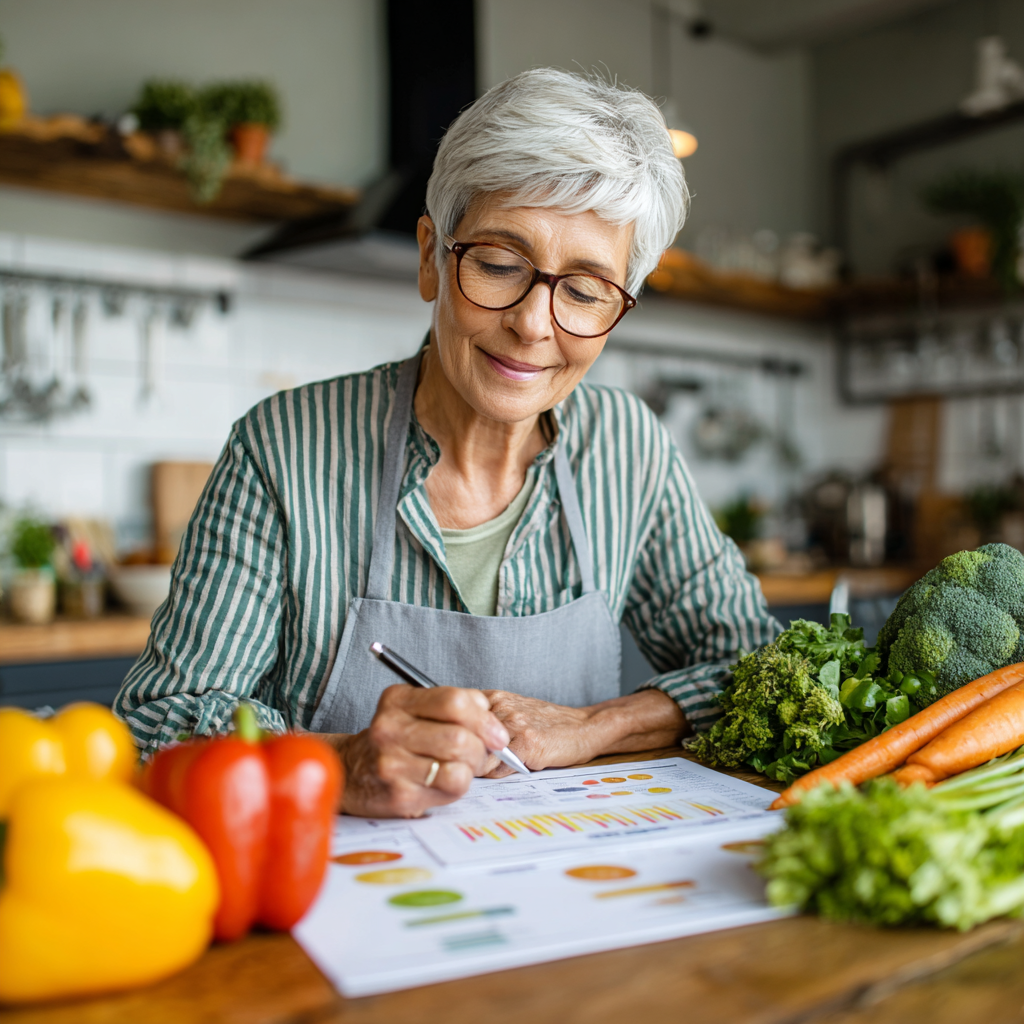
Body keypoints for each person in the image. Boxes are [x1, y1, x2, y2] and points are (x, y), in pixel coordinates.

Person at [117, 68, 776, 818]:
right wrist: (341, 762)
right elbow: (157, 725)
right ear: (432, 257)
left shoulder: (628, 450)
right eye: (499, 265)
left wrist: (596, 725)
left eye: (584, 290)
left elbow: (755, 667)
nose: (533, 324)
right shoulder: (285, 448)